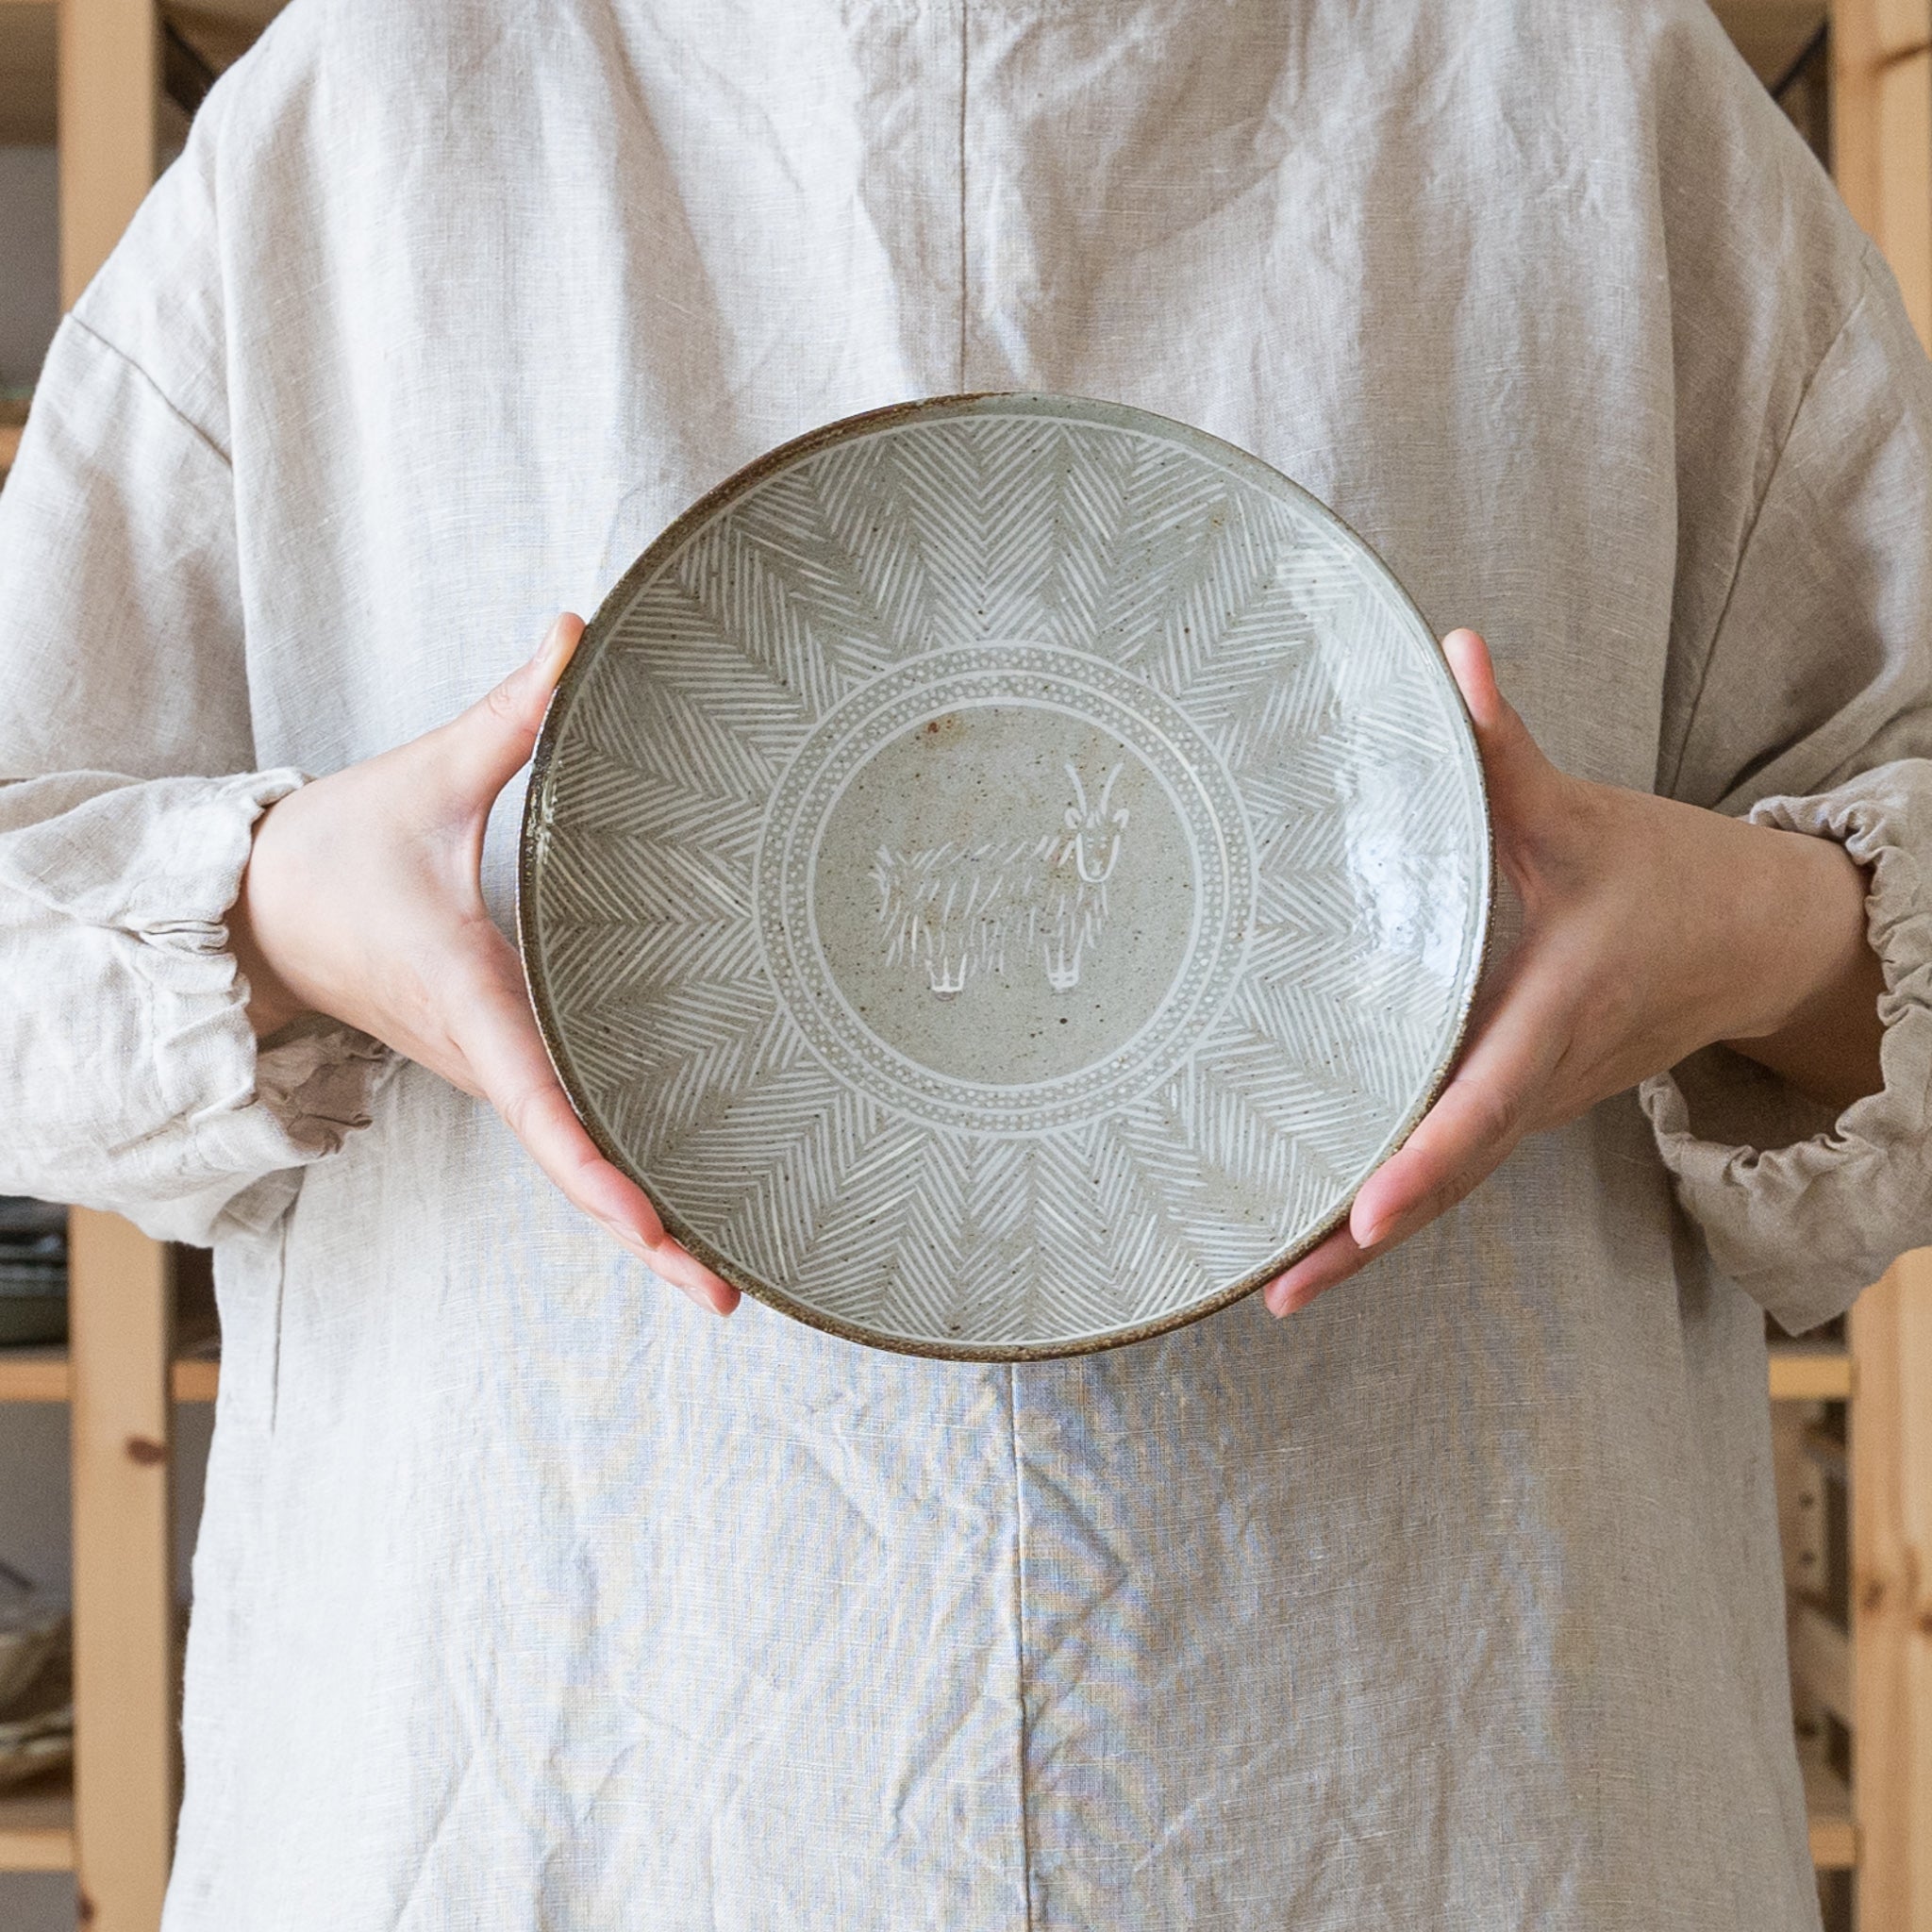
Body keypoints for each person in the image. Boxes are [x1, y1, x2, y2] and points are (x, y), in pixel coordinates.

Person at [1, 0, 1927, 1924]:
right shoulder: (374, 106)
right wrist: (277, 903)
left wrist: (1748, 934)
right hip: (557, 1769)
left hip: (1436, 1774)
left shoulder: (1584, 93)